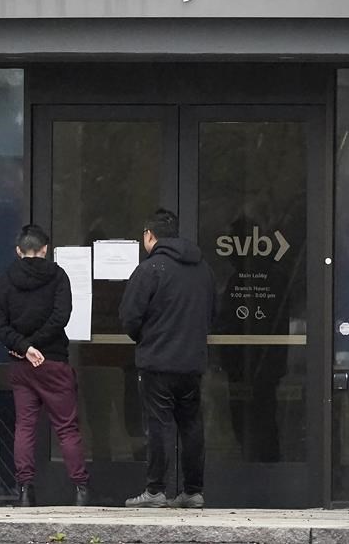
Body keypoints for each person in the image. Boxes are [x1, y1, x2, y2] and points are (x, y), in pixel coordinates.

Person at [120, 209, 214, 509]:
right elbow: (212, 312)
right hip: (192, 362)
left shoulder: (150, 269)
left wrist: (146, 339)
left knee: (158, 426)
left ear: (149, 235)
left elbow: (129, 317)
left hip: (157, 362)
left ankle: (155, 491)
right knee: (192, 425)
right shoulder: (203, 269)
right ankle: (193, 491)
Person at [0, 224, 91, 507]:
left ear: (18, 250)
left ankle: (25, 490)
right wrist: (36, 346)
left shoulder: (3, 282)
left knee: (24, 426)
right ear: (45, 249)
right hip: (53, 362)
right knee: (66, 428)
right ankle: (81, 489)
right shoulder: (58, 276)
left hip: (21, 365)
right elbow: (61, 316)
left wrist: (25, 348)